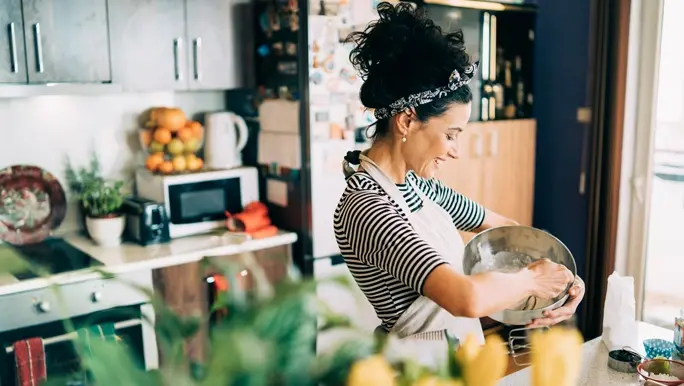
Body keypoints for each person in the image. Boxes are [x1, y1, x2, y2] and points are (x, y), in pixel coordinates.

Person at [334, 2, 585, 346]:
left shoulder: (422, 186)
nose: (456, 150)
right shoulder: (366, 207)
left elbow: (508, 232)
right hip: (414, 369)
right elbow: (464, 297)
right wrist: (531, 280)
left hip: (457, 357)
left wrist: (563, 281)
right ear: (406, 121)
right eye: (450, 134)